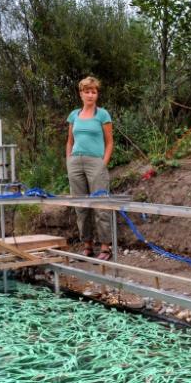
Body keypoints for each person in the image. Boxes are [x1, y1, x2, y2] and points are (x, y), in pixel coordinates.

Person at [65, 76, 114, 260]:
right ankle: (87, 245)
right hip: (75, 163)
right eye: (87, 91)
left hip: (96, 163)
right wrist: (69, 162)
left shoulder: (102, 115)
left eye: (94, 91)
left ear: (97, 94)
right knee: (81, 207)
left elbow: (109, 143)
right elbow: (69, 142)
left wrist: (103, 164)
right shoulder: (74, 115)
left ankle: (105, 247)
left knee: (101, 205)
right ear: (81, 94)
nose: (90, 95)